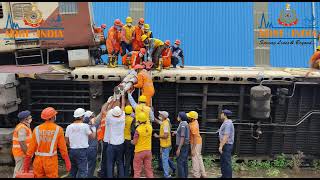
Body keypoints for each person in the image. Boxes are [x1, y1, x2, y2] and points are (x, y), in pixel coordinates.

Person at [23, 107, 71, 178]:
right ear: (53, 117)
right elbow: (63, 149)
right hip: (51, 162)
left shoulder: (36, 129)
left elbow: (30, 150)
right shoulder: (58, 129)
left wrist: (26, 166)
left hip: (38, 161)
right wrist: (67, 162)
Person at [65, 108, 95, 178]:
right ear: (81, 117)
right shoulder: (85, 126)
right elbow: (93, 137)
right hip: (82, 151)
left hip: (72, 151)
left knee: (73, 171)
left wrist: (71, 145)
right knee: (83, 171)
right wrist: (93, 125)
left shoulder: (69, 127)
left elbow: (66, 140)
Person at [105, 94, 126, 178]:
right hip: (120, 144)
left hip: (111, 145)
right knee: (120, 162)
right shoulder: (123, 117)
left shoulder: (110, 118)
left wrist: (111, 101)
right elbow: (123, 105)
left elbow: (107, 109)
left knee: (110, 163)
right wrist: (123, 95)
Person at [132, 112, 154, 178]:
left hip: (139, 152)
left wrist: (131, 141)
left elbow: (134, 142)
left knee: (137, 170)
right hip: (148, 151)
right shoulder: (150, 127)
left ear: (138, 120)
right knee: (149, 170)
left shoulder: (138, 129)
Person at [153, 111, 175, 178]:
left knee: (164, 160)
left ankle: (167, 175)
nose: (159, 115)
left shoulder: (165, 124)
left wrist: (157, 136)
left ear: (163, 116)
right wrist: (151, 116)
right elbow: (157, 121)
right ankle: (174, 168)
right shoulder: (165, 122)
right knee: (166, 158)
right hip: (166, 144)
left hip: (165, 145)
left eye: (160, 114)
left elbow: (165, 135)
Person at [12, 110, 32, 178]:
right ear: (25, 119)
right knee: (19, 172)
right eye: (30, 117)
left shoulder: (24, 127)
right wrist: (28, 154)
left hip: (21, 153)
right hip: (21, 154)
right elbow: (22, 142)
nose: (31, 118)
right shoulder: (22, 128)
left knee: (21, 171)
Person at [187, 111, 207, 178]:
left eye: (189, 117)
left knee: (194, 158)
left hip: (195, 143)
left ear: (192, 118)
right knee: (198, 157)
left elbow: (195, 138)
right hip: (198, 142)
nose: (188, 117)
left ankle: (196, 175)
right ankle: (203, 174)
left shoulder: (194, 126)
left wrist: (192, 149)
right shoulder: (194, 122)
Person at [172, 112, 190, 178]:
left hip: (182, 146)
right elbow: (181, 133)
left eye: (178, 116)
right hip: (185, 145)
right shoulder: (184, 123)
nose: (177, 117)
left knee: (180, 163)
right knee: (184, 162)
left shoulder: (183, 124)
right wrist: (176, 132)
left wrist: (179, 149)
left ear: (181, 117)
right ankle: (185, 176)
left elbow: (182, 137)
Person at [219, 109, 235, 178]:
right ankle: (224, 176)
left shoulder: (228, 123)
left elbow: (226, 136)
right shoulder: (225, 122)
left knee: (227, 162)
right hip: (225, 145)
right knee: (223, 162)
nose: (220, 115)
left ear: (225, 115)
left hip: (227, 145)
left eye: (221, 113)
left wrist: (221, 146)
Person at [83, 110, 98, 178]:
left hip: (84, 148)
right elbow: (93, 136)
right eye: (92, 116)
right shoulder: (93, 125)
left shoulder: (82, 126)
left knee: (86, 165)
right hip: (91, 148)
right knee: (91, 165)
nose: (93, 117)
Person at [124, 105, 136, 177]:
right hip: (129, 140)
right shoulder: (132, 119)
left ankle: (123, 173)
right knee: (130, 157)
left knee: (123, 158)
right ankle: (130, 173)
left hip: (122, 140)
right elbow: (132, 131)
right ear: (131, 111)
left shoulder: (122, 118)